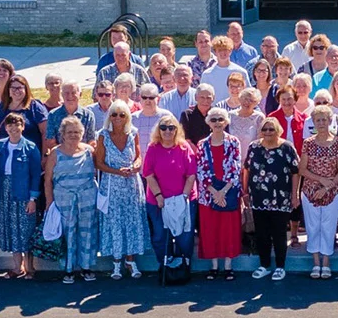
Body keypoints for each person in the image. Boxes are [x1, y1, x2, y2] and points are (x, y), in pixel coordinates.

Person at [96, 102, 150, 279]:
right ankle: (116, 261)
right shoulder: (103, 136)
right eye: (114, 114)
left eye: (122, 115)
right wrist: (117, 172)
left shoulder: (132, 133)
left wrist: (135, 166)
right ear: (109, 117)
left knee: (132, 220)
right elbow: (100, 163)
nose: (118, 118)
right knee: (115, 222)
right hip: (112, 185)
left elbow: (138, 156)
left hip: (131, 186)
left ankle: (131, 259)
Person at [142, 111, 199, 274]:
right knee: (160, 234)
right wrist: (159, 196)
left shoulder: (184, 147)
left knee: (184, 235)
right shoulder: (153, 148)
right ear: (158, 130)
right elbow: (149, 174)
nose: (167, 131)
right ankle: (166, 263)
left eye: (171, 128)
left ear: (177, 129)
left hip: (183, 197)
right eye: (163, 127)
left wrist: (184, 197)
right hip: (158, 199)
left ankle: (183, 263)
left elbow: (191, 175)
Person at [242, 116, 300, 280]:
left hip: (281, 198)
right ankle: (264, 265)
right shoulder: (254, 147)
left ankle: (280, 267)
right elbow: (246, 169)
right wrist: (245, 192)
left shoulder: (287, 148)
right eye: (265, 129)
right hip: (259, 198)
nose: (268, 132)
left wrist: (295, 194)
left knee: (279, 233)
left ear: (278, 130)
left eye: (271, 129)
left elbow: (295, 172)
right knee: (262, 233)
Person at [46, 116, 101, 283]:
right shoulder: (55, 153)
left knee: (87, 232)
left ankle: (86, 267)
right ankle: (68, 269)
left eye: (77, 132)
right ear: (62, 133)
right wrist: (49, 202)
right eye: (69, 132)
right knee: (68, 233)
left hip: (88, 198)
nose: (73, 135)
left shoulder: (90, 151)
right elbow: (47, 179)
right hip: (64, 199)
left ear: (82, 133)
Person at [296, 105, 338, 279]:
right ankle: (316, 263)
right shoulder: (308, 143)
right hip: (310, 192)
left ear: (330, 121)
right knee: (313, 227)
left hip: (331, 193)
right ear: (314, 123)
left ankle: (326, 262)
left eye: (325, 119)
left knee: (328, 227)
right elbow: (302, 169)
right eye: (318, 120)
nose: (322, 123)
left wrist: (326, 187)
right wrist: (320, 180)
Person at [0, 111, 43, 279]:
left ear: (22, 127)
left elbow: (36, 175)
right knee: (10, 229)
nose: (14, 128)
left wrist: (32, 199)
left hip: (23, 194)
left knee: (26, 230)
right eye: (10, 125)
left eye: (17, 124)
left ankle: (30, 268)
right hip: (4, 194)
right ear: (5, 127)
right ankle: (17, 267)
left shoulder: (30, 147)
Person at [195, 108, 244, 280]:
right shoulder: (202, 144)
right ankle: (214, 266)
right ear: (208, 122)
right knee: (211, 229)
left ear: (226, 122)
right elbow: (200, 170)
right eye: (214, 119)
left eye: (220, 119)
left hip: (228, 193)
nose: (217, 123)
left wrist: (222, 193)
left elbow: (235, 168)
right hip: (208, 195)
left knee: (228, 229)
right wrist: (214, 192)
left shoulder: (233, 142)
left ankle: (228, 266)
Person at [267, 85, 308, 149]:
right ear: (279, 101)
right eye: (283, 99)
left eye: (289, 99)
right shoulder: (272, 118)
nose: (286, 102)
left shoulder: (304, 118)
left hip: (298, 157)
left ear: (295, 100)